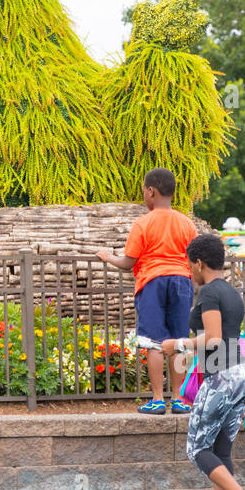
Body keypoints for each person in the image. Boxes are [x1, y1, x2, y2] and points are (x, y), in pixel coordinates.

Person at [161, 234, 245, 490]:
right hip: (242, 374)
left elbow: (214, 339)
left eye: (190, 263)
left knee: (196, 449)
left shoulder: (208, 294)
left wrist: (178, 344)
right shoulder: (231, 292)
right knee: (220, 450)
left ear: (199, 262)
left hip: (222, 376)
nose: (189, 269)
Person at [96, 168, 197, 414]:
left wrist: (109, 257)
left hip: (152, 282)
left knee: (154, 342)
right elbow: (194, 260)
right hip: (182, 281)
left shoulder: (143, 223)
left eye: (144, 190)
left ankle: (157, 399)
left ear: (151, 191)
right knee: (179, 342)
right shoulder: (186, 223)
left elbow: (128, 262)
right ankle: (178, 399)